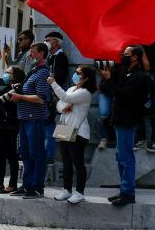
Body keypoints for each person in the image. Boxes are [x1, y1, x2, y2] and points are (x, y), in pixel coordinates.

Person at [99, 46, 153, 206]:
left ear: (135, 57)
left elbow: (122, 94)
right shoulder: (126, 72)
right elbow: (112, 89)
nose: (122, 56)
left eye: (126, 54)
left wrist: (109, 80)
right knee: (120, 156)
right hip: (120, 119)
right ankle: (124, 190)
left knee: (126, 157)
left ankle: (128, 192)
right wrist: (108, 77)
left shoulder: (139, 76)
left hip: (128, 119)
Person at [8, 41, 52, 199]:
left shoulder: (44, 73)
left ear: (41, 54)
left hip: (35, 119)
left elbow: (41, 98)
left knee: (37, 153)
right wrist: (20, 88)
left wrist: (20, 96)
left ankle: (37, 187)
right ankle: (27, 185)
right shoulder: (33, 71)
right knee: (26, 153)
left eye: (33, 52)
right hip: (25, 118)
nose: (30, 55)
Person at [50, 64, 96, 204]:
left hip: (79, 132)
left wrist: (53, 84)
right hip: (66, 129)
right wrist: (64, 106)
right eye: (75, 71)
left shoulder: (85, 92)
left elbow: (65, 97)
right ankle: (67, 189)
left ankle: (80, 192)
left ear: (86, 77)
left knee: (78, 162)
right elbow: (60, 104)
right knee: (66, 162)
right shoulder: (71, 89)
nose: (75, 74)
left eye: (78, 73)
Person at [43, 31, 70, 166]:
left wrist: (50, 79)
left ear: (57, 42)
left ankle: (50, 155)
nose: (46, 42)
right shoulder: (50, 57)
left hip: (57, 96)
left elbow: (61, 77)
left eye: (49, 40)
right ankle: (48, 153)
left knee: (54, 125)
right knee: (49, 125)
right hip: (52, 95)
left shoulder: (60, 57)